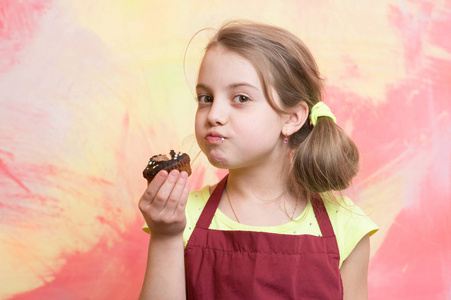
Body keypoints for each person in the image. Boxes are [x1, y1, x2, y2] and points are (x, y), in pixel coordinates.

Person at [138, 20, 378, 300]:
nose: (214, 114)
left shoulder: (345, 225)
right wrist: (165, 236)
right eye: (206, 97)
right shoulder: (181, 217)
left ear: (292, 118)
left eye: (240, 98)